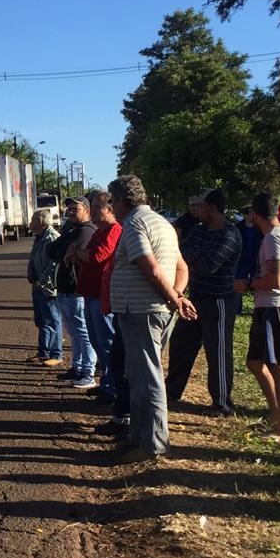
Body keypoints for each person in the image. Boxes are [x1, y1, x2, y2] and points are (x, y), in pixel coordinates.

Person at [107, 175, 196, 463]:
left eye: (112, 201)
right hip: (156, 310)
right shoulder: (163, 224)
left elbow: (152, 269)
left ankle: (153, 444)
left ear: (121, 201)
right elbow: (181, 267)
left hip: (142, 311)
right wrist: (178, 296)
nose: (112, 207)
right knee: (140, 375)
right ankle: (138, 437)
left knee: (147, 378)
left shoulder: (134, 224)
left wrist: (172, 297)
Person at [165, 188, 243, 416]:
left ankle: (222, 403)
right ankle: (171, 392)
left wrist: (194, 257)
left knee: (217, 350)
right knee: (181, 344)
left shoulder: (230, 234)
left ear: (213, 208)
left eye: (201, 206)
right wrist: (195, 256)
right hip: (196, 297)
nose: (196, 210)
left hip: (219, 300)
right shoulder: (199, 229)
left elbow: (210, 264)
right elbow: (182, 254)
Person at [236, 193, 280, 440]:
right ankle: (276, 415)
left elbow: (276, 279)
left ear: (255, 213)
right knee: (255, 362)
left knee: (277, 364)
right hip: (268, 306)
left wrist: (249, 284)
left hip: (276, 306)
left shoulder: (274, 238)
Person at [48, 196, 98, 389]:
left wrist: (68, 250)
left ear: (86, 210)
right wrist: (65, 249)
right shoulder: (71, 229)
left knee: (83, 332)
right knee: (74, 333)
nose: (70, 212)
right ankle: (77, 367)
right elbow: (53, 251)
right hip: (65, 288)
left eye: (75, 209)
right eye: (68, 209)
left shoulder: (86, 231)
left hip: (76, 290)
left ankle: (88, 371)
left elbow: (65, 252)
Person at [76, 190, 121, 400]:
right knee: (97, 341)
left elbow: (97, 255)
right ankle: (106, 382)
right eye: (91, 207)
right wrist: (80, 253)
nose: (92, 211)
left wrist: (77, 253)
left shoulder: (114, 230)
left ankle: (112, 386)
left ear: (110, 209)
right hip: (90, 293)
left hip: (102, 296)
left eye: (97, 207)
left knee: (107, 342)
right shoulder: (98, 231)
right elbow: (86, 252)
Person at [25, 209, 62, 367]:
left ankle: (56, 354)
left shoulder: (52, 237)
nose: (30, 224)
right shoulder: (40, 237)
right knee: (41, 321)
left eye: (33, 221)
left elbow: (53, 264)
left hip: (47, 287)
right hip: (38, 286)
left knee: (52, 320)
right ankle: (43, 352)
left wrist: (42, 281)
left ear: (41, 222)